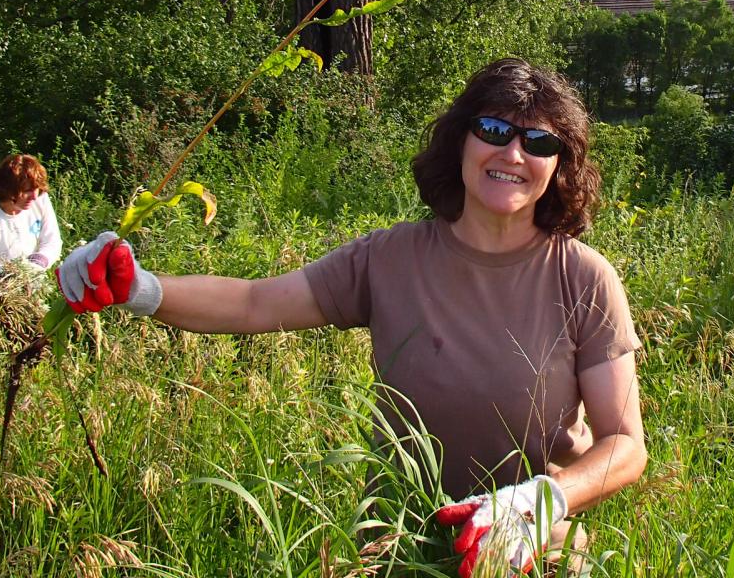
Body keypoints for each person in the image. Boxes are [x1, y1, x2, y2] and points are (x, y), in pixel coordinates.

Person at [56, 58, 646, 577]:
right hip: (399, 544)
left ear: (558, 166)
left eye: (538, 143)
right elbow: (254, 302)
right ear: (460, 142)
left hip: (532, 555)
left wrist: (539, 503)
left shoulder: (583, 277)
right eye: (493, 129)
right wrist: (141, 289)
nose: (513, 153)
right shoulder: (389, 258)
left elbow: (624, 444)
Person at [0, 153, 64, 297]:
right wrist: (9, 272)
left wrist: (37, 263)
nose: (34, 196)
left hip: (34, 291)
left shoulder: (40, 200)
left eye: (36, 189)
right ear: (8, 190)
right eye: (26, 191)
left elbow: (52, 241)